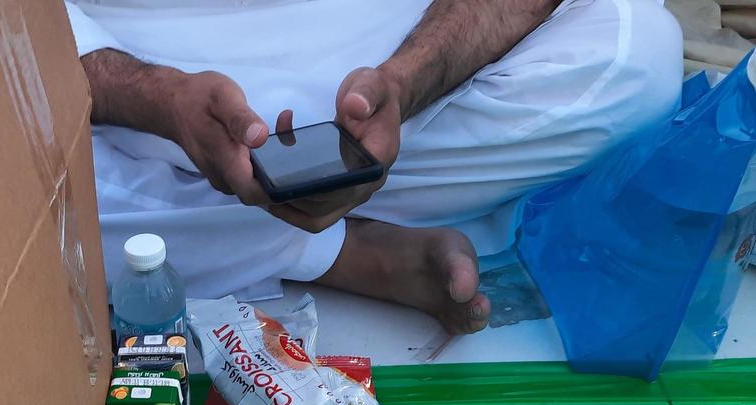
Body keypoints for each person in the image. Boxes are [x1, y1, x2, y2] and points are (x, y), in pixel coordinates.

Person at [71, 0, 683, 332]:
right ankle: (345, 253)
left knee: (636, 52)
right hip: (132, 58)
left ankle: (270, 207)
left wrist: (406, 81)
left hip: (394, 42)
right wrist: (158, 98)